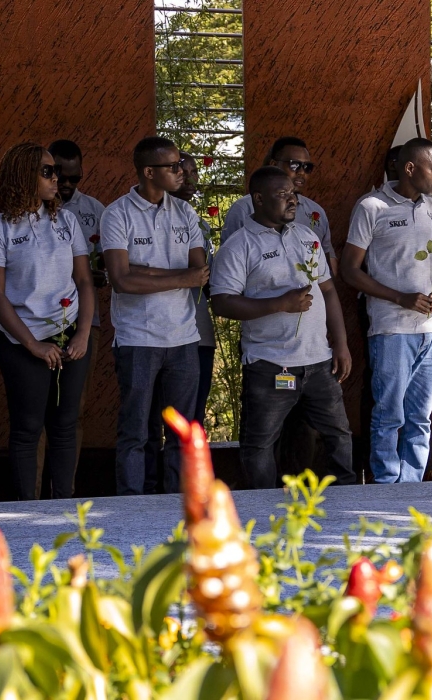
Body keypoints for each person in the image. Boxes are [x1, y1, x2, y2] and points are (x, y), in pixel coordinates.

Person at [212, 166, 354, 489]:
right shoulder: (239, 246)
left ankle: (346, 503)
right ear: (257, 199)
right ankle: (263, 511)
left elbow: (328, 291)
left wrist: (341, 344)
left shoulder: (307, 236)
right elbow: (221, 303)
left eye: (293, 194)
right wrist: (280, 304)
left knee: (338, 436)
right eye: (282, 195)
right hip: (269, 364)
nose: (292, 200)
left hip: (318, 362)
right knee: (260, 443)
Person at [0, 142, 94, 500]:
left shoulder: (66, 220)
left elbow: (85, 281)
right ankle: (28, 511)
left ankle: (64, 506)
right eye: (47, 171)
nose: (55, 177)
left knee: (65, 426)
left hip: (71, 335)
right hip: (23, 343)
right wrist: (32, 344)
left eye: (55, 171)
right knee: (28, 429)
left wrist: (83, 335)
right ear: (22, 175)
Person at [101, 136, 207, 496]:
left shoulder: (186, 213)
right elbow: (120, 279)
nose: (182, 172)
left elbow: (200, 270)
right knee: (136, 430)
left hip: (184, 339)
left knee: (182, 429)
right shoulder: (117, 213)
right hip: (137, 339)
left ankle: (180, 502)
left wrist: (144, 271)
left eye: (181, 166)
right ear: (149, 172)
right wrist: (176, 278)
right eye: (173, 167)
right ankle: (133, 505)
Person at [341, 138, 432, 483]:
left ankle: (412, 484)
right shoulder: (372, 206)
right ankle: (386, 484)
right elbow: (349, 270)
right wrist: (399, 298)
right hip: (391, 329)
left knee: (421, 415)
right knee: (389, 413)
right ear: (410, 168)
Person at [142, 152, 216, 493]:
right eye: (178, 170)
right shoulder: (138, 216)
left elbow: (204, 276)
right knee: (146, 419)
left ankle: (182, 490)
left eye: (191, 171)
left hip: (196, 333)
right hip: (148, 335)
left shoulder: (196, 221)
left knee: (188, 419)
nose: (186, 177)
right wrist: (183, 276)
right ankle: (147, 489)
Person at [48, 139, 106, 467]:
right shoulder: (25, 212)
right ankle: (34, 495)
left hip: (84, 322)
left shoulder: (94, 210)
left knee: (73, 410)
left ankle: (66, 493)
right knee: (39, 412)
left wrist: (97, 274)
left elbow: (110, 266)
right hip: (38, 324)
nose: (67, 185)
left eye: (75, 179)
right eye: (60, 176)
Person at [222, 137, 338, 277]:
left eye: (307, 167)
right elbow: (228, 265)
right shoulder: (244, 207)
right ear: (273, 164)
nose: (301, 172)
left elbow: (326, 267)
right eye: (295, 165)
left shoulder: (315, 211)